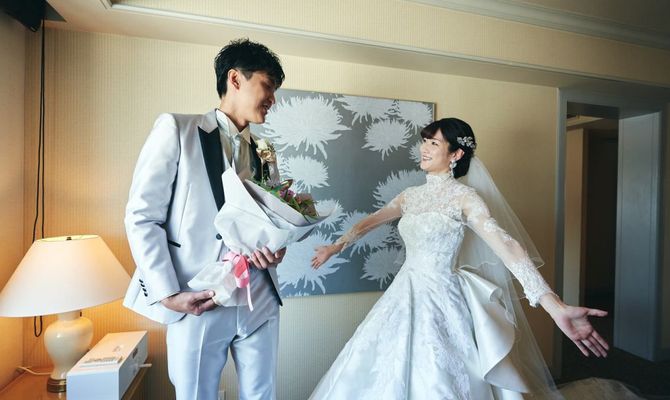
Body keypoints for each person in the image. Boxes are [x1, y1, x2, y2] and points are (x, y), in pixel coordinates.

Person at [309, 118, 609, 399]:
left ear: (456, 154)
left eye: (434, 143)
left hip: (443, 295)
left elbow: (506, 246)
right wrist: (336, 246)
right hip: (403, 292)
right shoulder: (410, 195)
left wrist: (554, 306)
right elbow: (371, 221)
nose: (424, 149)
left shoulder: (465, 197)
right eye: (424, 141)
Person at [123, 38, 287, 400]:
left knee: (263, 395)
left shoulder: (266, 152)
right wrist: (168, 294)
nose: (273, 99)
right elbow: (142, 217)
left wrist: (276, 250)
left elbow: (271, 222)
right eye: (268, 85)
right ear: (235, 79)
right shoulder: (176, 130)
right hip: (198, 297)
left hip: (259, 296)